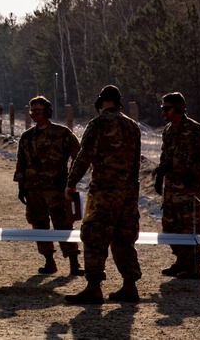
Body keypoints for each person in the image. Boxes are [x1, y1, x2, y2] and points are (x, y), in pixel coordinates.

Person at [64, 85, 142, 304]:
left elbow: (84, 156)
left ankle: (94, 287)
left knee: (94, 236)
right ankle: (129, 285)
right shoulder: (132, 126)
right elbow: (136, 162)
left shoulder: (97, 124)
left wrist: (71, 183)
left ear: (100, 104)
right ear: (119, 104)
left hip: (105, 192)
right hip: (128, 193)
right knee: (124, 238)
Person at [14, 96, 83, 276]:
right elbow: (21, 163)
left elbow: (80, 157)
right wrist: (21, 186)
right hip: (33, 190)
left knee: (64, 225)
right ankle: (49, 261)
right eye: (32, 111)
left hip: (57, 189)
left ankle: (74, 262)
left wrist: (72, 182)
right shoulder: (27, 137)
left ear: (48, 112)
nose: (34, 114)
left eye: (38, 111)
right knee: (39, 225)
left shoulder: (62, 133)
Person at [155, 91, 200, 279]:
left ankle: (195, 265)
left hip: (189, 188)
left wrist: (195, 171)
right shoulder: (168, 130)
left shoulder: (194, 129)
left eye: (167, 108)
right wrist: (160, 174)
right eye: (163, 108)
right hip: (171, 187)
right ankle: (181, 260)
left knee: (188, 227)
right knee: (169, 226)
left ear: (180, 109)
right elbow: (165, 155)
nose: (164, 112)